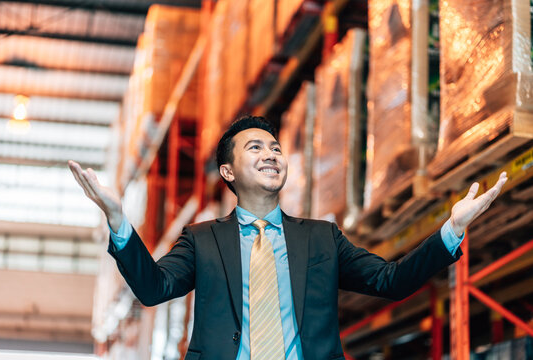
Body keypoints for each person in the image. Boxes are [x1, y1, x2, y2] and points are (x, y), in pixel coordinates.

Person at [69, 116, 508, 360]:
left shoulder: (322, 239)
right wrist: (118, 219)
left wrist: (451, 230)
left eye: (276, 147)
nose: (271, 154)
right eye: (255, 148)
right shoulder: (202, 240)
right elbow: (153, 288)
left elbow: (390, 281)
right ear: (228, 172)